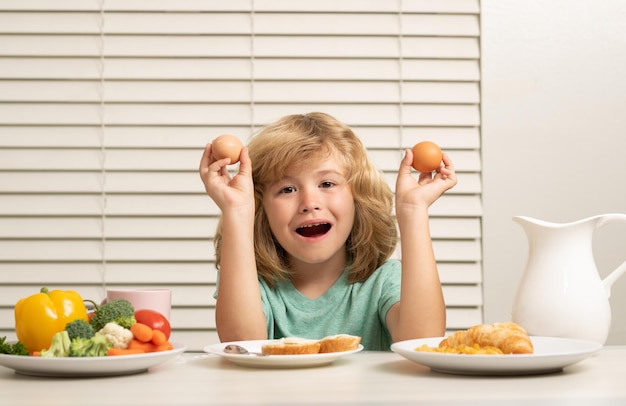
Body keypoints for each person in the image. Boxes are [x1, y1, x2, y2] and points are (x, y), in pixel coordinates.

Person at [199, 112, 457, 351]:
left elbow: (423, 341)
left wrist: (413, 211)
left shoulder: (383, 281)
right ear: (260, 208)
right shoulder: (252, 284)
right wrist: (237, 210)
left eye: (327, 183)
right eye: (287, 189)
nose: (310, 203)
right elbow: (243, 346)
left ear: (358, 197)